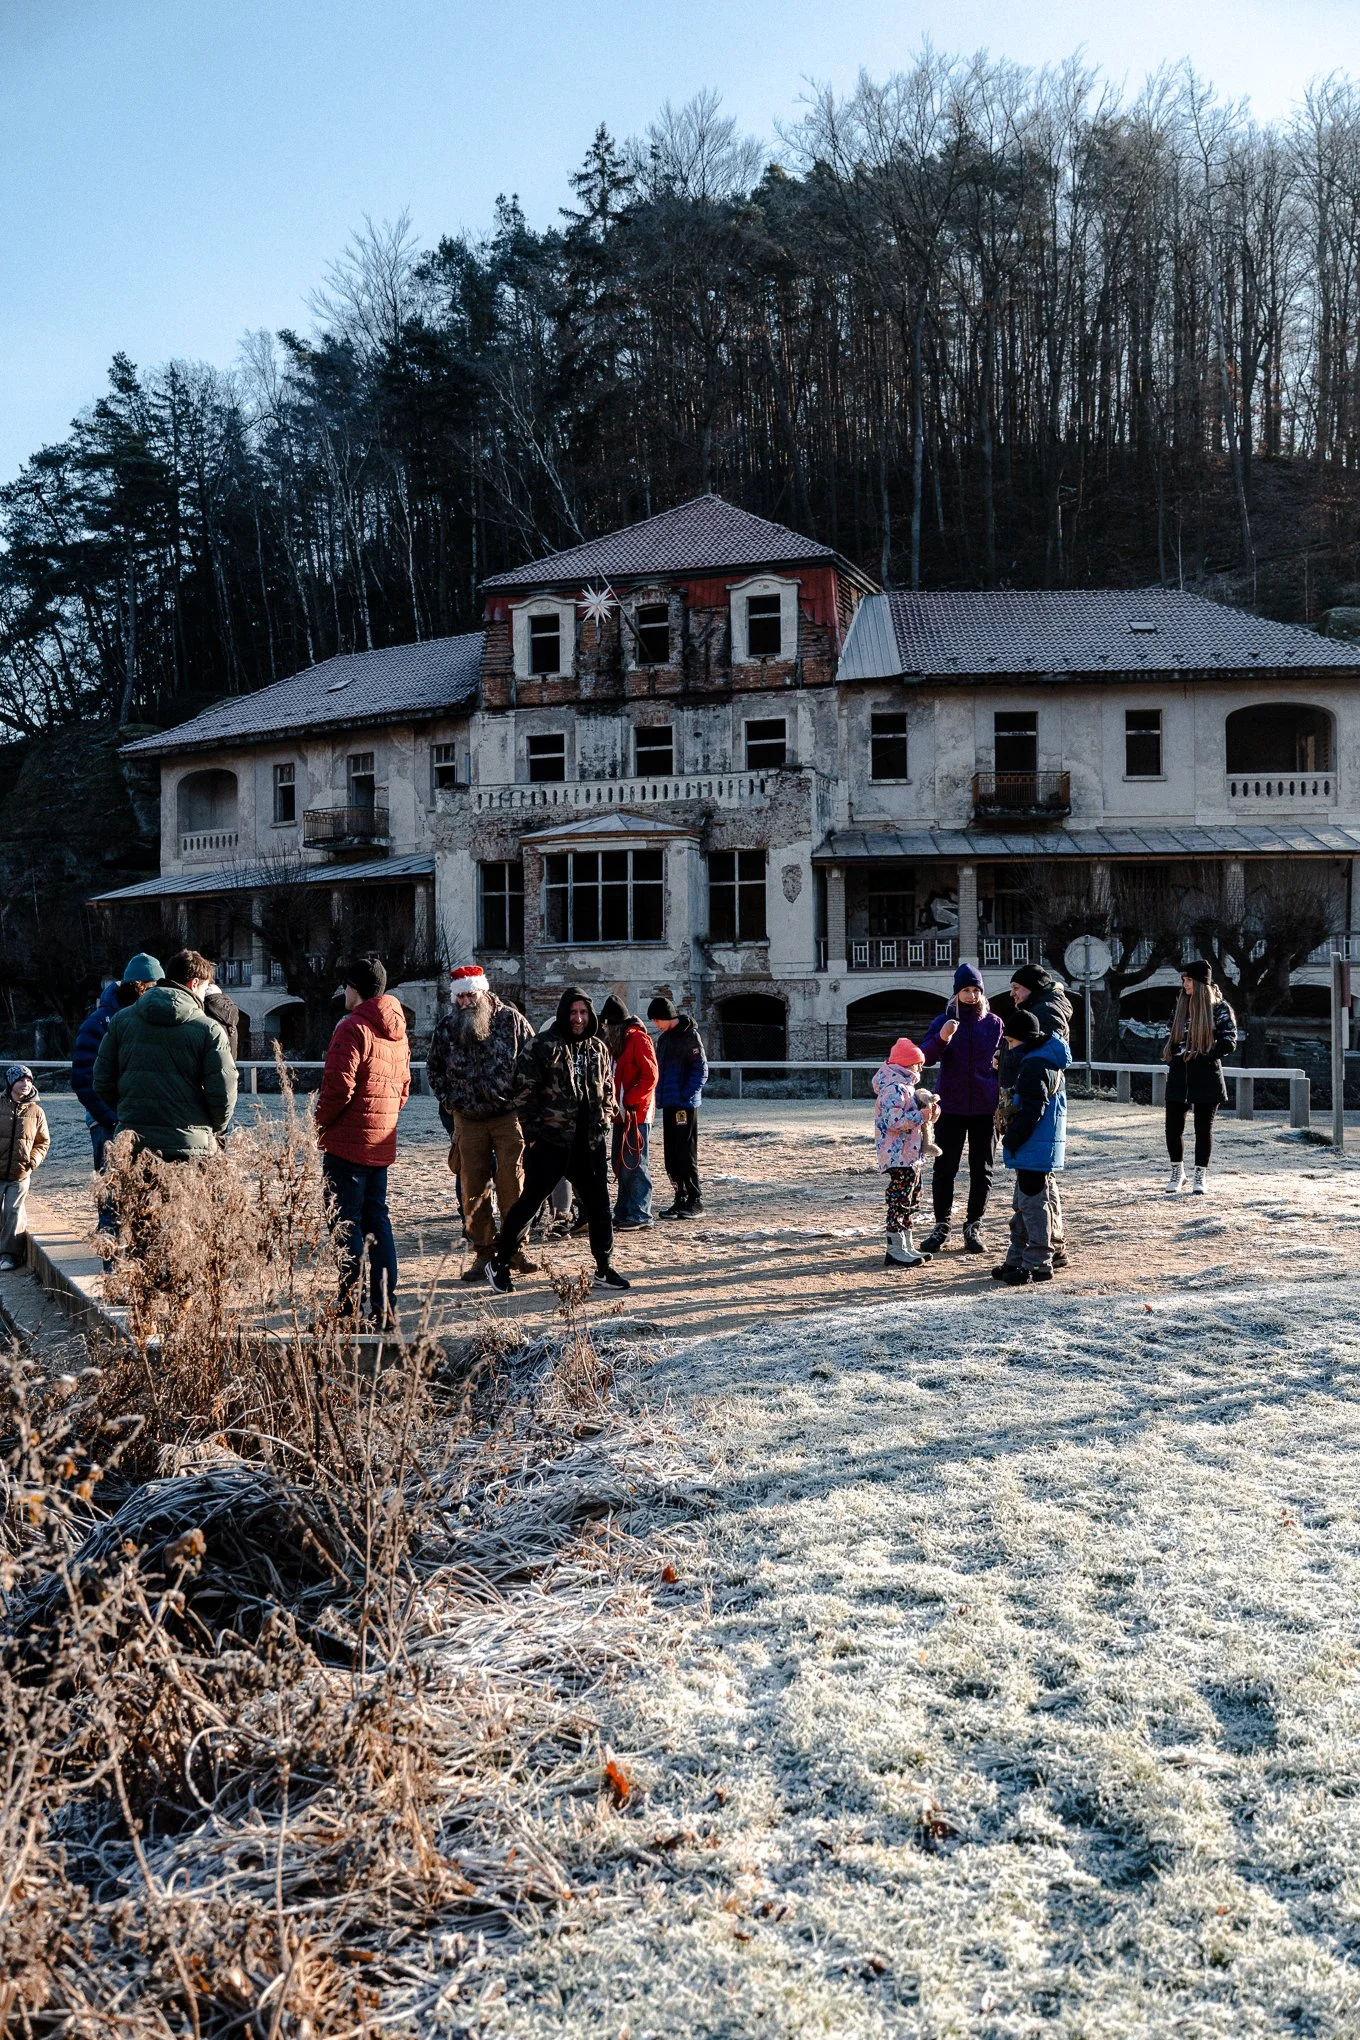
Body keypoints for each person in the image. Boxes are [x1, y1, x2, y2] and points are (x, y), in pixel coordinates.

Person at [485, 987, 630, 1295]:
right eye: (573, 1013)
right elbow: (523, 1094)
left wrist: (604, 1121)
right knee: (530, 1203)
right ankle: (499, 1261)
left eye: (583, 1013)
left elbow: (607, 1089)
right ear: (564, 1014)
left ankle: (604, 1267)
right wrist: (534, 1136)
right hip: (550, 1141)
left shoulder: (597, 1048)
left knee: (599, 1205)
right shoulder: (542, 1046)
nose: (578, 1019)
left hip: (588, 1142)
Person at [315, 954, 410, 1327]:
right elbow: (403, 1089)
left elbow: (337, 1089)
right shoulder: (398, 1031)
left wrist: (319, 1124)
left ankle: (348, 1307)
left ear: (354, 989)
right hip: (380, 1144)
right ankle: (385, 1308)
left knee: (346, 1224)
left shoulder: (352, 1028)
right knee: (378, 1222)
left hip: (347, 1144)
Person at [426, 964, 536, 1280]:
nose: (465, 1003)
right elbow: (433, 1069)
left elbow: (533, 1062)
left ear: (483, 992)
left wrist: (521, 1100)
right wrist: (451, 1101)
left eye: (470, 996)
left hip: (506, 1117)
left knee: (512, 1184)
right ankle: (483, 1254)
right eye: (459, 997)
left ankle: (515, 1248)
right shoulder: (447, 1028)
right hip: (468, 1120)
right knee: (472, 1188)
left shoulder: (511, 1021)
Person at [92, 947, 238, 1161]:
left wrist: (129, 1111)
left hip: (134, 1142)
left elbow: (102, 1080)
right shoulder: (209, 1029)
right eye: (206, 987)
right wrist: (210, 1127)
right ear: (194, 983)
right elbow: (224, 1091)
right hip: (189, 1146)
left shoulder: (122, 1021)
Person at [919, 963, 1005, 1255]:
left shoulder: (994, 1023)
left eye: (975, 990)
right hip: (951, 1107)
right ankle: (941, 1226)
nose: (971, 995)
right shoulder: (943, 1020)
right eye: (965, 990)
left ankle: (973, 1227)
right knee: (945, 1169)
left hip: (985, 1107)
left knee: (982, 1170)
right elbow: (925, 1058)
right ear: (955, 993)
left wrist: (1001, 1064)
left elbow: (1008, 1057)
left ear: (982, 992)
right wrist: (943, 1037)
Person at [1002, 961, 1073, 1270]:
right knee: (1033, 1193)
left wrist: (1013, 1135)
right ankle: (1036, 1253)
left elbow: (1035, 1103)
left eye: (1017, 988)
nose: (1012, 994)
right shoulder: (1044, 1010)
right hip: (1036, 1133)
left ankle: (1042, 1256)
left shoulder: (1044, 1017)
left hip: (1034, 1134)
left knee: (1035, 1195)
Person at [71, 953, 164, 1168]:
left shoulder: (155, 1018)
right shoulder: (98, 1022)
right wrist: (111, 1118)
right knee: (112, 1192)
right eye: (153, 988)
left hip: (149, 1123)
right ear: (140, 987)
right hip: (109, 1124)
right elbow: (84, 1077)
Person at [1164, 960, 1238, 1195]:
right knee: (1172, 1127)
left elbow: (1230, 1040)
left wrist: (1206, 1056)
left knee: (1203, 1128)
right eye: (1183, 980)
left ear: (1199, 982)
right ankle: (1177, 1172)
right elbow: (1170, 1031)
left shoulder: (1219, 1008)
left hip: (1205, 1073)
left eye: (1188, 980)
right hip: (1179, 1070)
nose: (1184, 984)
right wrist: (1176, 1054)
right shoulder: (1180, 1005)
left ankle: (1200, 1176)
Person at [872, 1038, 939, 1268]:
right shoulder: (894, 1088)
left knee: (910, 1198)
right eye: (918, 1064)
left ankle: (905, 1243)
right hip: (897, 1155)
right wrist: (921, 1117)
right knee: (899, 1200)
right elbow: (894, 1121)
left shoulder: (905, 1088)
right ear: (908, 1065)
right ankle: (895, 1248)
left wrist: (928, 1114)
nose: (920, 1069)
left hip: (909, 1154)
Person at [600, 994, 658, 1229]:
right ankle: (624, 1209)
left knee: (635, 1163)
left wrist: (632, 1099)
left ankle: (640, 1212)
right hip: (621, 1113)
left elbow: (650, 1076)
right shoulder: (620, 1044)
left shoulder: (639, 1040)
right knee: (620, 1162)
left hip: (637, 1113)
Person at [648, 996, 708, 1218]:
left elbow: (700, 1069)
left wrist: (685, 1094)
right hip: (670, 1104)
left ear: (666, 1017)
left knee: (685, 1152)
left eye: (657, 1020)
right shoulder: (664, 1039)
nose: (656, 1025)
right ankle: (680, 1197)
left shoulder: (690, 1036)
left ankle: (695, 1199)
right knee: (671, 1155)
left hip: (684, 1105)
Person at [0, 1064, 51, 1271]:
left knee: (13, 1211)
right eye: (21, 1080)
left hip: (20, 1172)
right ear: (11, 1082)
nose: (26, 1084)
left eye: (29, 1080)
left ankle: (9, 1255)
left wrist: (32, 1161)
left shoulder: (36, 1111)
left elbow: (43, 1141)